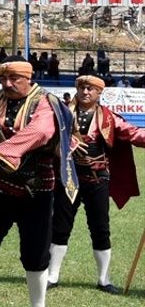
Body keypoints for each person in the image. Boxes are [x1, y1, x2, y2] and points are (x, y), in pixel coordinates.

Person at [0, 60, 77, 307]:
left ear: (28, 78)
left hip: (37, 191)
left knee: (35, 254)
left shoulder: (46, 102)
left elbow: (41, 132)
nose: (7, 84)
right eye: (3, 79)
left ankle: (37, 305)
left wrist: (3, 151)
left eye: (14, 79)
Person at [48, 75, 145, 293]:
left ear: (99, 93)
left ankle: (104, 279)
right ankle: (52, 277)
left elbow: (135, 134)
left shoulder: (109, 118)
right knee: (60, 227)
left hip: (98, 179)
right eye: (82, 87)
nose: (85, 92)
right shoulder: (61, 114)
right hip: (69, 178)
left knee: (101, 229)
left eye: (91, 89)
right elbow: (45, 136)